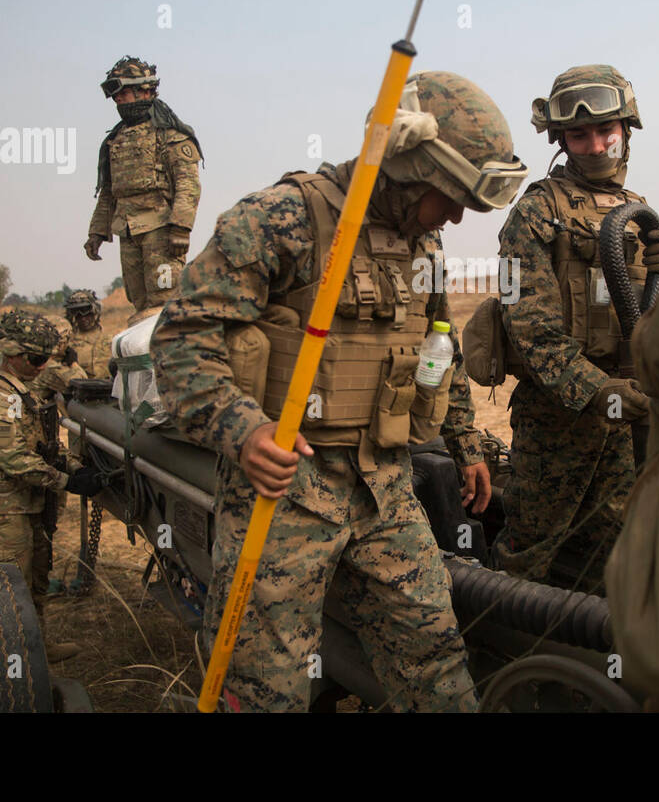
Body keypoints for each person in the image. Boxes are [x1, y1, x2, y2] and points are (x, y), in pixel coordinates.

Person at [151, 71, 527, 712]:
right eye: (451, 195)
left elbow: (440, 349)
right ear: (408, 163)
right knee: (263, 685)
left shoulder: (424, 245)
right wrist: (244, 431)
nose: (458, 214)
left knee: (433, 659)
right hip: (285, 494)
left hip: (385, 485)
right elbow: (185, 336)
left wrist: (465, 444)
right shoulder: (282, 216)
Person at [492, 64, 659, 593]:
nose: (595, 145)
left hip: (629, 423)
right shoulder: (533, 214)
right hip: (558, 424)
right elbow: (530, 331)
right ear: (562, 140)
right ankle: (512, 668)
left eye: (605, 131)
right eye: (579, 134)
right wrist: (600, 393)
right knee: (527, 557)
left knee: (618, 559)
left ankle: (595, 670)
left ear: (626, 129)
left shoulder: (638, 214)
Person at [0, 309, 103, 661]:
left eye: (46, 359)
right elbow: (17, 461)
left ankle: (34, 648)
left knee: (36, 582)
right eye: (36, 359)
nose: (42, 367)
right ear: (12, 356)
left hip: (29, 506)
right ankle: (6, 667)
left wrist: (75, 468)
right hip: (4, 513)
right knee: (7, 592)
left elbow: (41, 448)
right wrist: (67, 480)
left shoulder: (22, 395)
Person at [85, 56, 202, 321]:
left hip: (160, 232)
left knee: (164, 301)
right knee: (139, 303)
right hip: (127, 231)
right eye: (115, 95)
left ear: (145, 91)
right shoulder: (115, 140)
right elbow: (109, 192)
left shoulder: (170, 135)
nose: (118, 100)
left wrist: (181, 227)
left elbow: (188, 184)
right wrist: (97, 231)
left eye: (123, 92)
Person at [63, 288, 113, 379]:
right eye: (77, 314)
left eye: (86, 312)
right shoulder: (67, 342)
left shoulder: (110, 339)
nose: (83, 318)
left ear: (95, 312)